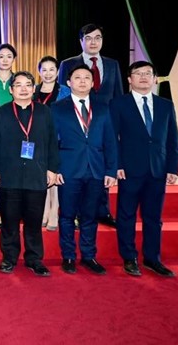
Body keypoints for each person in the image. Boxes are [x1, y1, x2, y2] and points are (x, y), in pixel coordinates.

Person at [110, 61, 178, 278]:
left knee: (153, 217)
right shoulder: (119, 104)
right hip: (129, 169)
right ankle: (129, 257)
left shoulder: (165, 105)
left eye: (148, 73)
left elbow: (172, 139)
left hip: (157, 169)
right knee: (126, 216)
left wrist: (172, 167)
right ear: (129, 79)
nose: (143, 77)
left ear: (155, 79)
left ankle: (152, 258)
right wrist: (117, 165)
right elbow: (112, 138)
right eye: (138, 73)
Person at [50, 65, 118, 275]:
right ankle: (68, 256)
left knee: (90, 216)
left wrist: (111, 170)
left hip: (96, 169)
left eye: (86, 77)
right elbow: (50, 142)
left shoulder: (103, 108)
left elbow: (111, 141)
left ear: (92, 82)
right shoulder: (57, 108)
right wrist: (54, 168)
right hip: (68, 170)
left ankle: (89, 256)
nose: (82, 81)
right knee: (67, 215)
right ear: (68, 83)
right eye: (77, 77)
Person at [0, 71, 60, 277]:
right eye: (18, 85)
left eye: (28, 85)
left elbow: (52, 142)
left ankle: (34, 259)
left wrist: (52, 169)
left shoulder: (44, 112)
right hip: (9, 174)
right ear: (11, 90)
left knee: (34, 221)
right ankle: (9, 257)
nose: (23, 89)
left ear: (33, 89)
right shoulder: (1, 113)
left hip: (36, 174)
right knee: (9, 221)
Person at [59, 24, 124, 229]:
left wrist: (117, 125)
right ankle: (77, 212)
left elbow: (118, 96)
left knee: (100, 167)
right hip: (77, 124)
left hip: (104, 125)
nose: (93, 42)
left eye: (97, 38)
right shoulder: (68, 64)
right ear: (81, 41)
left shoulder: (112, 64)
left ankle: (103, 211)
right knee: (79, 170)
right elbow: (62, 95)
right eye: (88, 38)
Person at [33, 55, 63, 231]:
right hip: (37, 138)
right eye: (44, 69)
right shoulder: (33, 90)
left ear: (57, 72)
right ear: (39, 72)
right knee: (40, 173)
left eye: (52, 69)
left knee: (54, 173)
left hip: (58, 137)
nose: (48, 73)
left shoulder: (65, 91)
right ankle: (44, 210)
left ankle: (54, 211)